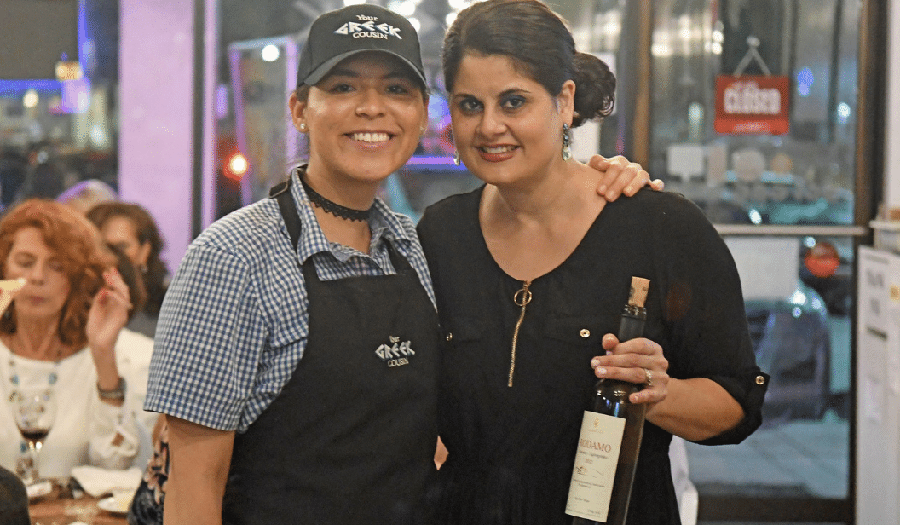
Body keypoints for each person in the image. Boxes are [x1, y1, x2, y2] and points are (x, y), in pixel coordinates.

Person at [144, 4, 655, 524]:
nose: (373, 108)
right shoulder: (233, 256)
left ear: (422, 112)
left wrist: (600, 182)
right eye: (343, 87)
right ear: (300, 109)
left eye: (396, 89)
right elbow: (192, 485)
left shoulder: (417, 244)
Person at [416, 1, 769, 524]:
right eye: (470, 105)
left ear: (563, 101)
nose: (489, 126)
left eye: (514, 102)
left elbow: (737, 405)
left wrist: (659, 394)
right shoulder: (441, 234)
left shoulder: (661, 228)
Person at [0, 199, 141, 478]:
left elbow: (115, 464)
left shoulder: (96, 361)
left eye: (57, 267)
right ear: (3, 268)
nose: (37, 277)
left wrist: (103, 352)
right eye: (25, 263)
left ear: (76, 278)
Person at [86, 202, 169, 337]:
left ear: (144, 251)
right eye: (102, 246)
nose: (111, 256)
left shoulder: (170, 310)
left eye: (121, 247)